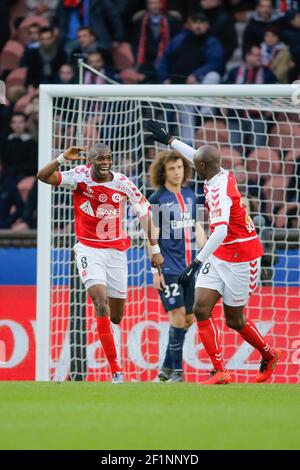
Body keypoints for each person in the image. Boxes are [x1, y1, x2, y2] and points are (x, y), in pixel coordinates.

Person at [145, 120, 282, 384]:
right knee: (200, 307)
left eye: (196, 164)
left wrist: (195, 263)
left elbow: (219, 232)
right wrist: (170, 140)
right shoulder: (217, 171)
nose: (192, 167)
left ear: (203, 167)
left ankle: (268, 354)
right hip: (221, 254)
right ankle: (220, 370)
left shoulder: (219, 191)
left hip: (242, 257)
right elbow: (197, 155)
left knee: (235, 319)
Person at [37, 143, 163, 383]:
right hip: (88, 249)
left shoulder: (123, 182)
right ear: (90, 160)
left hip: (116, 252)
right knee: (99, 300)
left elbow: (145, 214)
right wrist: (63, 157)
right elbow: (43, 176)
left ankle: (114, 359)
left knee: (116, 316)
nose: (105, 162)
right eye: (99, 158)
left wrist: (154, 248)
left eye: (108, 158)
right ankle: (116, 370)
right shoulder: (80, 177)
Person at [148, 150, 206, 382]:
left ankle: (165, 369)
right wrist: (155, 270)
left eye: (180, 168)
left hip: (191, 268)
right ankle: (178, 373)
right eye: (172, 168)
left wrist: (210, 251)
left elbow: (196, 226)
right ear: (163, 171)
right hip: (169, 268)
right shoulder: (157, 199)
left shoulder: (190, 195)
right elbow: (151, 237)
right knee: (178, 315)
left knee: (190, 317)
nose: (176, 172)